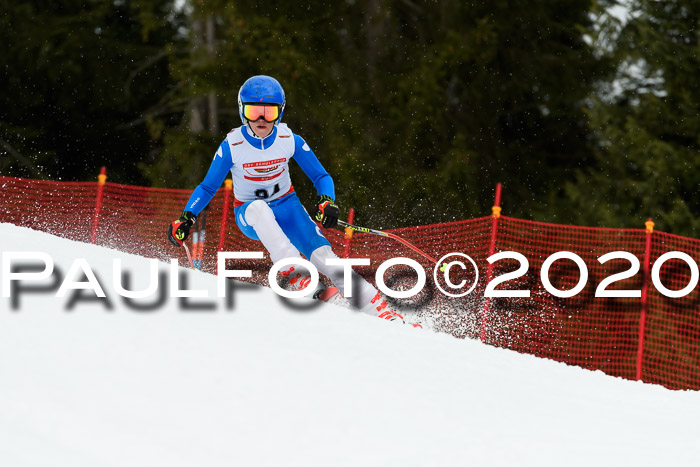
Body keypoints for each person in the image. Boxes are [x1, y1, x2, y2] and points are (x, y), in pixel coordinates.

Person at [167, 75, 407, 323]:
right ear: (242, 111)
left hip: (288, 208)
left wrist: (327, 200)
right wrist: (187, 216)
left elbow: (321, 176)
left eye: (268, 113)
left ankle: (381, 312)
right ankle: (299, 278)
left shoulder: (288, 139)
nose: (261, 119)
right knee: (260, 208)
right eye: (254, 111)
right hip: (249, 214)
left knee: (325, 256)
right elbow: (207, 188)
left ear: (279, 113)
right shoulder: (233, 145)